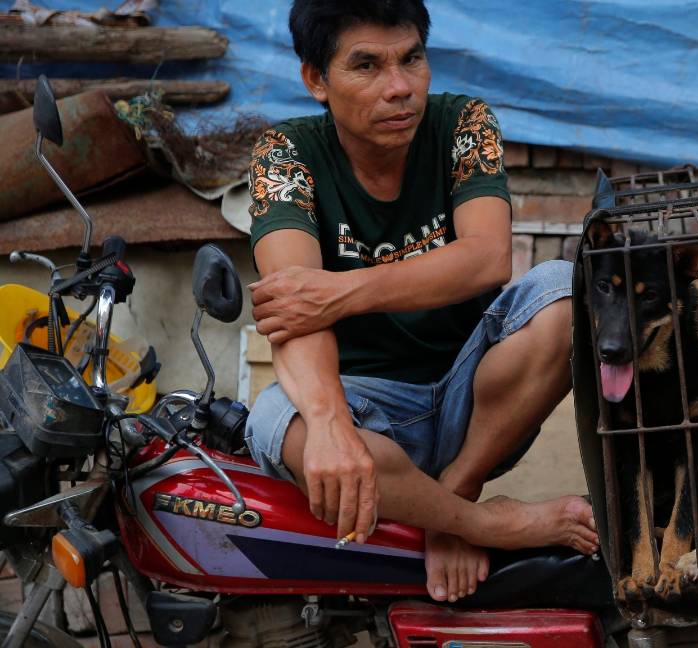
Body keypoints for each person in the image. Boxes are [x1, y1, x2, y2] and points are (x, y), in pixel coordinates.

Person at [243, 0, 597, 603]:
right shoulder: (284, 156)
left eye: (412, 59)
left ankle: (456, 492)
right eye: (367, 67)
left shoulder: (464, 124)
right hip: (366, 413)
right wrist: (329, 424)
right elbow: (293, 312)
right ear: (315, 80)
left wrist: (341, 289)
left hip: (475, 398)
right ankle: (482, 524)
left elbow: (486, 257)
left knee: (566, 289)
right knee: (278, 420)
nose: (399, 88)